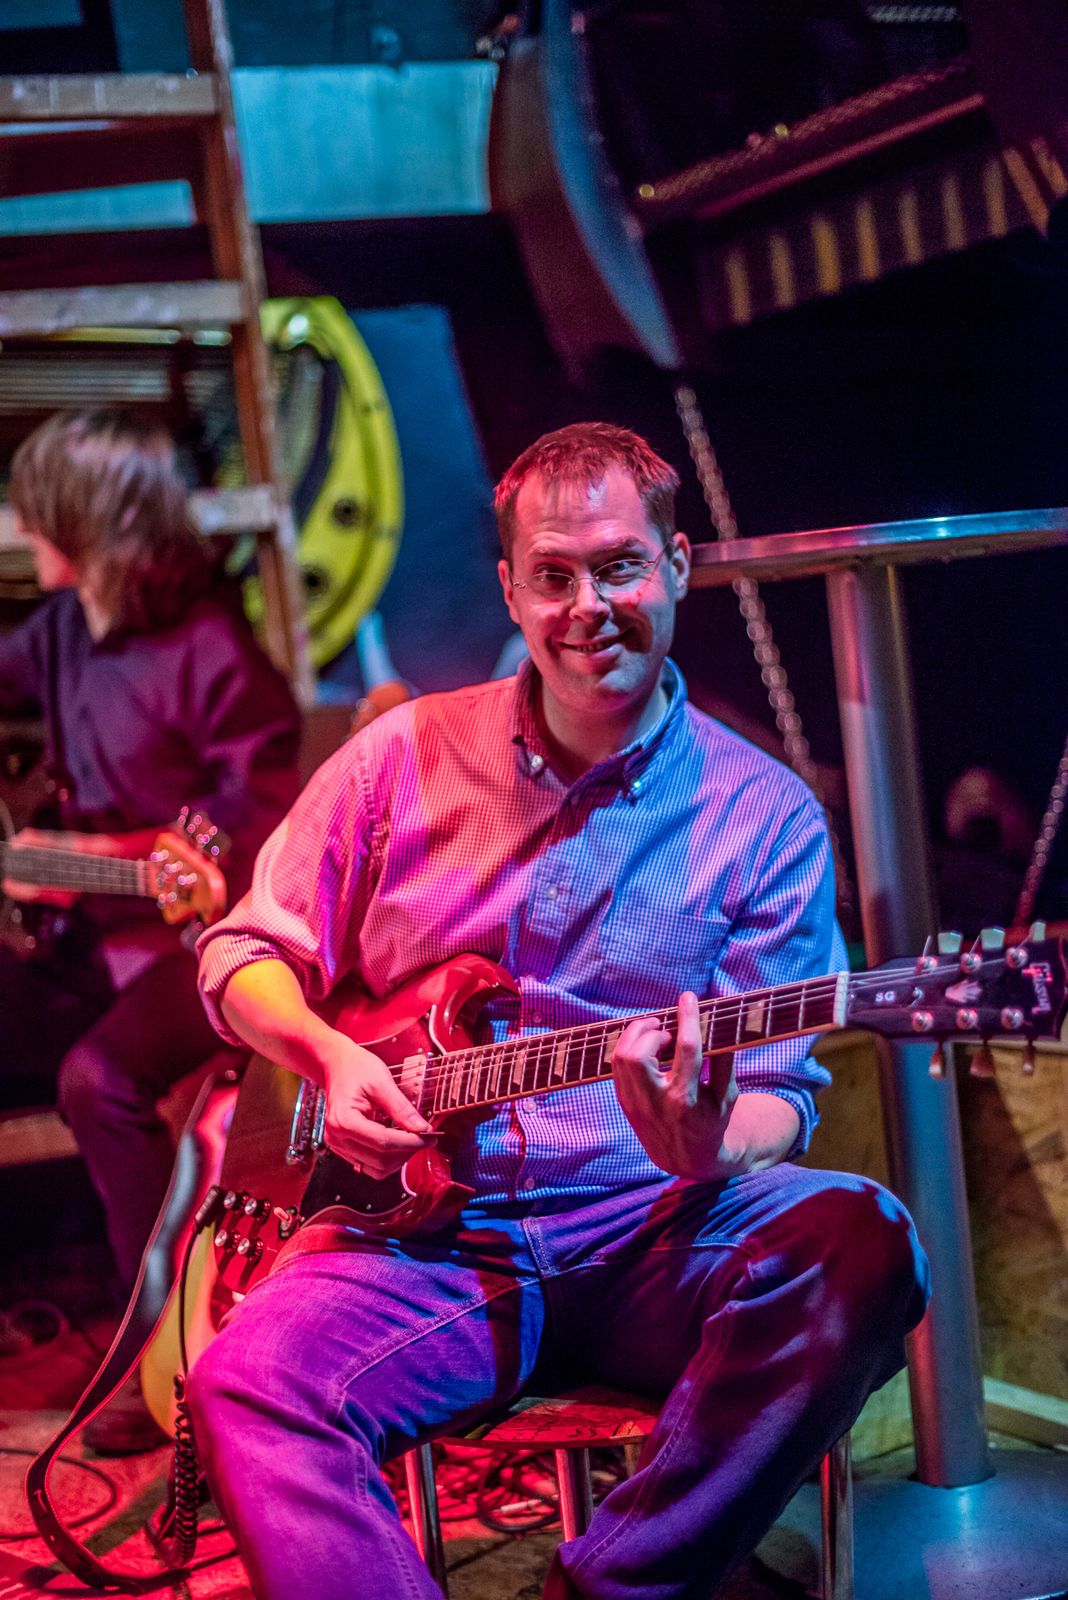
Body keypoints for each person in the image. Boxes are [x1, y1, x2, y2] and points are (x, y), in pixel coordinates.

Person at [190, 423, 929, 1600]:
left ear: (676, 565)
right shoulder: (398, 760)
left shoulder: (766, 816)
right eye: (555, 575)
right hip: (431, 1244)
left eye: (619, 566)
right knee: (246, 1380)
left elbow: (781, 1096)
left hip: (656, 1231)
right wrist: (327, 1057)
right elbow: (241, 953)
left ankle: (611, 1588)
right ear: (511, 589)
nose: (589, 606)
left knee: (864, 1242)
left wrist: (702, 1138)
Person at [0, 410, 301, 1433]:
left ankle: (157, 1357)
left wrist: (122, 858)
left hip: (208, 945)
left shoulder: (212, 650)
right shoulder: (61, 630)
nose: (20, 529)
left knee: (101, 1079)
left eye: (36, 510)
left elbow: (254, 833)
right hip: (93, 942)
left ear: (87, 522)